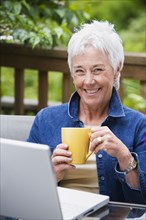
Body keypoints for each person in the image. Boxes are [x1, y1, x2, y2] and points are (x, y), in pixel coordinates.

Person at [27, 20, 146, 204]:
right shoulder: (45, 120)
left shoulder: (138, 125)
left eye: (97, 70)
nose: (89, 81)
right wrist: (51, 175)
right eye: (80, 71)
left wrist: (124, 157)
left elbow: (142, 201)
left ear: (117, 69)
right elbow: (22, 191)